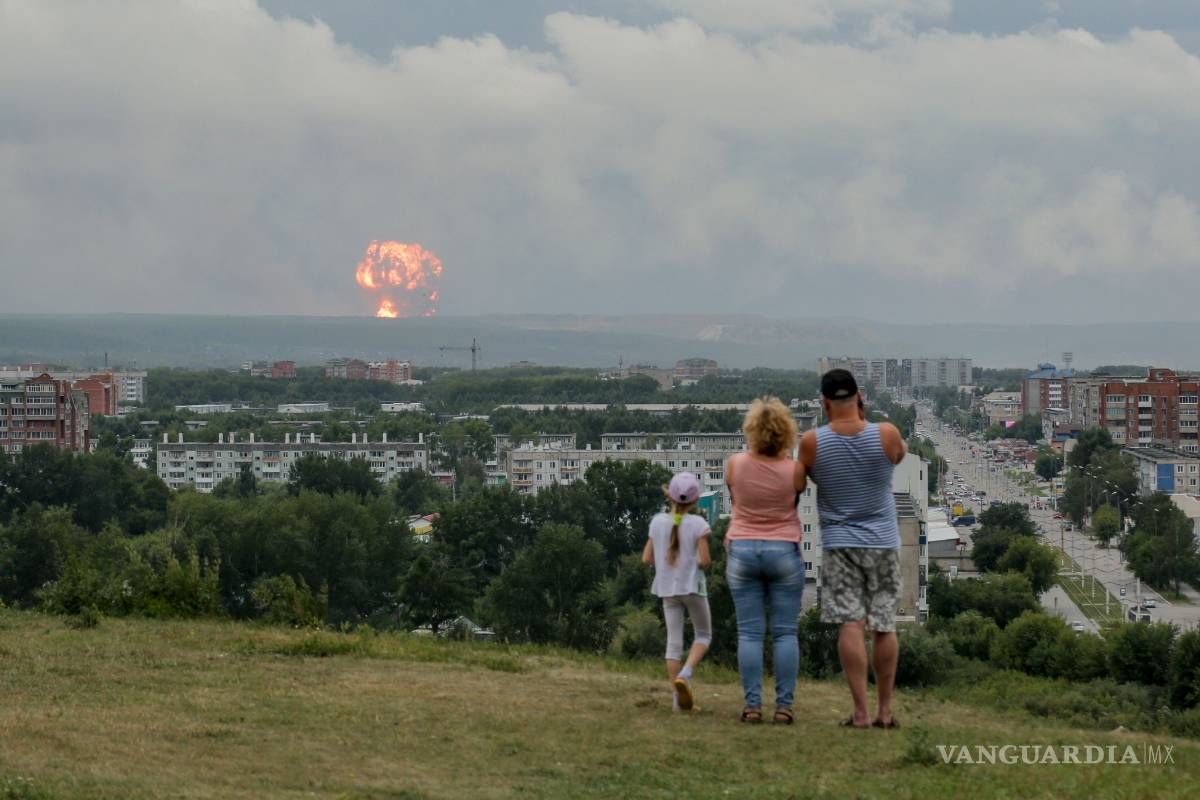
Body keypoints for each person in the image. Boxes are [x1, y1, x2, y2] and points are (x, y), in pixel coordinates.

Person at [799, 369, 907, 729]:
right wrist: (863, 419)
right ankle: (885, 711)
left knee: (850, 624)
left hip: (839, 543)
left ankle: (860, 712)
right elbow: (898, 455)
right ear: (860, 396)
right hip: (883, 542)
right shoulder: (886, 433)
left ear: (824, 403)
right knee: (884, 625)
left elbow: (808, 477)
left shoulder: (812, 442)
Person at [724, 397, 807, 724]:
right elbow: (795, 499)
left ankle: (752, 705)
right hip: (784, 550)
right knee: (786, 633)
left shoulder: (735, 465)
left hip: (743, 550)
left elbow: (735, 496)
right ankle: (784, 707)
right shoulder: (795, 470)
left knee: (749, 634)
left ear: (752, 431)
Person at [642, 471, 712, 712]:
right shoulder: (699, 524)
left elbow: (646, 558)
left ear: (669, 496)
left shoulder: (657, 522)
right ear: (694, 500)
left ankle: (677, 701)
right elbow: (705, 561)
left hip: (667, 589)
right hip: (693, 587)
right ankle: (686, 673)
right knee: (703, 635)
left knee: (673, 644)